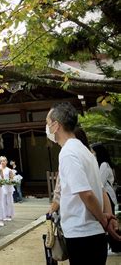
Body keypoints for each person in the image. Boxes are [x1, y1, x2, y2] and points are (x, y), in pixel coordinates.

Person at [46, 102, 120, 264]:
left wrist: (103, 220)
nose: (47, 128)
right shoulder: (85, 151)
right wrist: (108, 219)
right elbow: (101, 191)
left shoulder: (67, 153)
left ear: (56, 125)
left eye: (47, 123)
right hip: (94, 233)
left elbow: (86, 193)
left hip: (81, 232)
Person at [92, 142, 118, 214]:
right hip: (106, 195)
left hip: (107, 195)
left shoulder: (104, 165)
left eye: (93, 152)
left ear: (98, 152)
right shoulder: (102, 165)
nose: (93, 154)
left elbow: (100, 182)